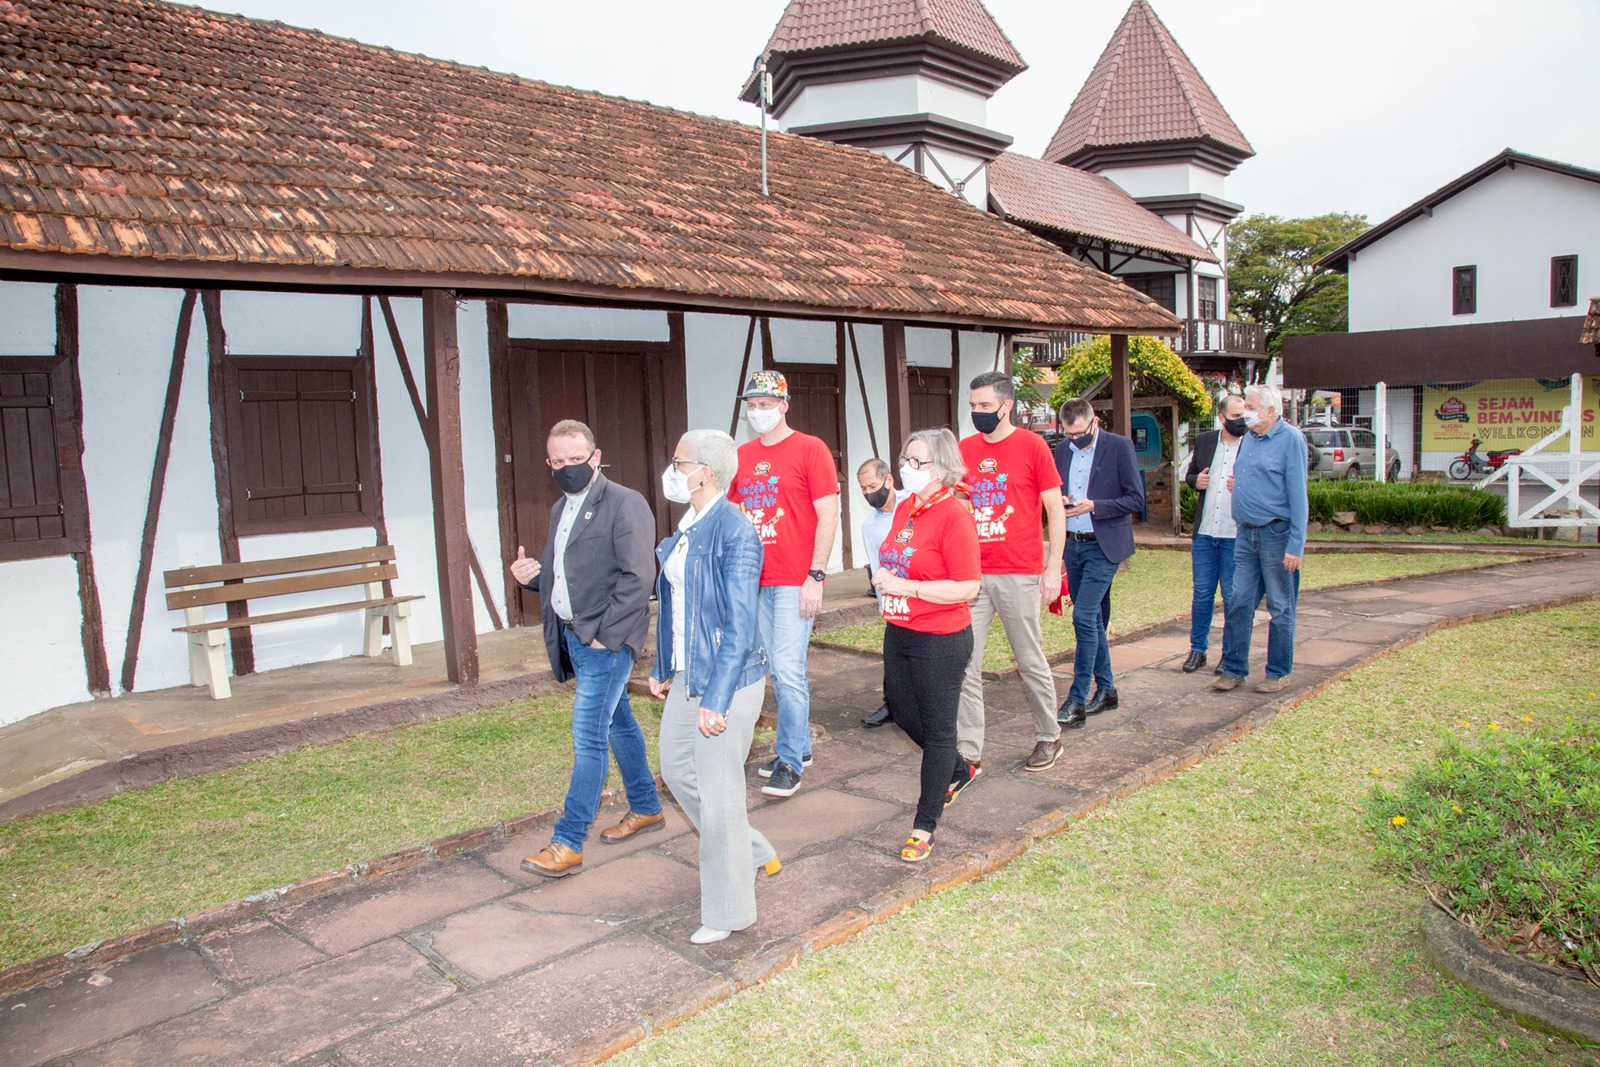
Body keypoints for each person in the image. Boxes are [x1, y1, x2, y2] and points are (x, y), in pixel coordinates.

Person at [510, 420, 663, 878]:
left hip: (606, 641)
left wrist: (605, 636)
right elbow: (569, 574)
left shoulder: (625, 503)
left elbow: (640, 577)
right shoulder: (561, 508)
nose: (567, 468)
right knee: (617, 723)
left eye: (576, 459)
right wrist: (533, 578)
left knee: (588, 737)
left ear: (595, 457)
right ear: (548, 464)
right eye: (558, 462)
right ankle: (647, 806)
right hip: (574, 636)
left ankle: (568, 840)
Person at [650, 429, 778, 945]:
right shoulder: (690, 527)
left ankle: (728, 912)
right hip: (690, 673)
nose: (671, 470)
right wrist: (665, 664)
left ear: (704, 472)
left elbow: (740, 625)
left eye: (677, 462)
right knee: (678, 767)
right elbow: (678, 608)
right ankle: (751, 852)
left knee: (721, 796)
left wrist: (717, 700)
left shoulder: (734, 530)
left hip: (729, 679)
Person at [726, 370, 840, 798]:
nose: (758, 412)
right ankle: (800, 747)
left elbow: (828, 515)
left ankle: (790, 762)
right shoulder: (743, 455)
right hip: (754, 580)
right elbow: (735, 516)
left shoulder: (811, 449)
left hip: (796, 579)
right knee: (772, 668)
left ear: (784, 405)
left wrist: (816, 575)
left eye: (766, 404)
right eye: (752, 405)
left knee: (789, 671)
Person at [871, 428, 982, 864]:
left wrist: (907, 586)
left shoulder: (955, 515)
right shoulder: (905, 508)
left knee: (938, 731)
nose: (905, 469)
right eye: (904, 459)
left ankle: (924, 825)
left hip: (941, 637)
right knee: (900, 710)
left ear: (941, 468)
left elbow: (968, 586)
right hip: (900, 629)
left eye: (916, 463)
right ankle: (958, 769)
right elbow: (899, 554)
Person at [957, 371, 1067, 772]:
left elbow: (1054, 511)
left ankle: (1048, 735)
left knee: (1029, 658)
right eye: (972, 406)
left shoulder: (1033, 446)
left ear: (1006, 406)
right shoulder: (964, 449)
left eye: (984, 406)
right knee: (966, 660)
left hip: (1019, 569)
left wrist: (1052, 566)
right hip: (973, 574)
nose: (977, 413)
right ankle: (968, 749)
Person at [1052, 398, 1145, 728]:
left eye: (1080, 433)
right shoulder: (1062, 451)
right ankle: (1107, 690)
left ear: (1095, 422)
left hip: (1104, 545)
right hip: (1073, 545)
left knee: (1084, 615)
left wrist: (1094, 505)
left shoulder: (1119, 447)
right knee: (1092, 620)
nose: (1075, 439)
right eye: (1069, 434)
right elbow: (1053, 492)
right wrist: (1060, 502)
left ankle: (1076, 699)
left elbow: (1136, 498)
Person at [1213, 384, 1309, 694]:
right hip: (1245, 534)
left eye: (1251, 406)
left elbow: (1298, 496)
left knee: (1280, 606)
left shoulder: (1290, 440)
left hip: (1276, 534)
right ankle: (1234, 668)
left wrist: (1296, 546)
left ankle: (1278, 672)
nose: (1246, 413)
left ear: (1269, 410)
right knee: (1239, 600)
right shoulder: (1249, 439)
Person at [1181, 393, 1248, 674]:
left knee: (1233, 596)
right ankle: (1198, 650)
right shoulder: (1207, 441)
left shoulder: (1253, 443)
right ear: (1222, 418)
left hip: (1235, 534)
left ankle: (1229, 654)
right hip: (1206, 533)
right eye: (1235, 417)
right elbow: (1191, 474)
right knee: (1203, 594)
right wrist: (1198, 481)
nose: (1241, 421)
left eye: (1244, 415)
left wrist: (1243, 486)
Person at [856, 457, 905, 729]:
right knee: (894, 655)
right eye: (863, 489)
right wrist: (883, 604)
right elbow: (876, 565)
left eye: (872, 485)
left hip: (925, 591)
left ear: (889, 480)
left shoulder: (915, 504)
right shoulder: (869, 527)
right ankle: (892, 704)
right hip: (895, 599)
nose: (868, 493)